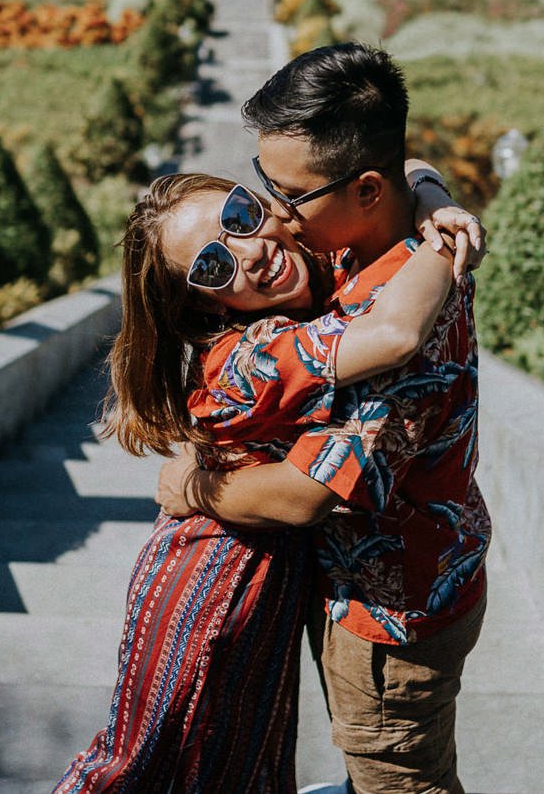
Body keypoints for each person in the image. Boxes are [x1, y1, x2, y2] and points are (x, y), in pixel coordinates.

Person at [55, 169, 478, 793]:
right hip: (219, 581)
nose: (248, 252)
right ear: (206, 303)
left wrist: (434, 196)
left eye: (239, 216)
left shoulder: (322, 265)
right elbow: (392, 336)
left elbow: (392, 165)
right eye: (211, 268)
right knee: (143, 764)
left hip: (283, 574)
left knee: (242, 768)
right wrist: (447, 237)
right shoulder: (247, 358)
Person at [157, 43, 491, 794]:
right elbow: (408, 169)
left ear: (363, 189)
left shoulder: (402, 327)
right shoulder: (364, 242)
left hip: (391, 619)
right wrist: (435, 191)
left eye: (288, 192)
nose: (273, 213)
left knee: (402, 782)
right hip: (417, 573)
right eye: (261, 188)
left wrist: (190, 486)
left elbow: (309, 492)